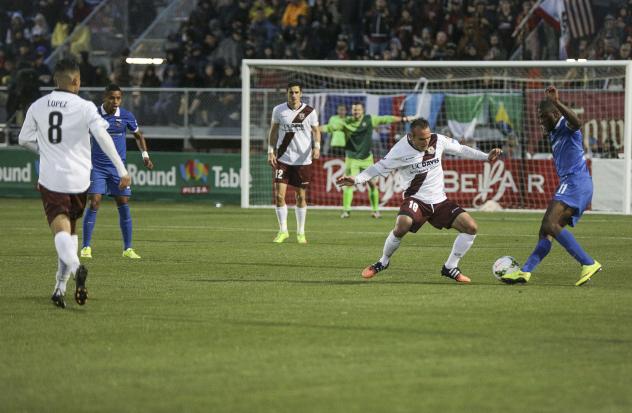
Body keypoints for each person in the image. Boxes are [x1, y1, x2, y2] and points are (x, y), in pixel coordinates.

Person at [18, 58, 130, 309]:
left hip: (51, 177)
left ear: (55, 79)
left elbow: (23, 140)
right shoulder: (85, 106)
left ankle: (77, 267)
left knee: (60, 228)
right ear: (76, 80)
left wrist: (45, 151)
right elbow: (102, 135)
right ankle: (60, 287)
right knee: (71, 231)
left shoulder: (38, 106)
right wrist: (121, 169)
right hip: (80, 178)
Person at [337, 118, 502, 283]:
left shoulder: (438, 140)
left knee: (471, 227)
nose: (426, 141)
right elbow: (379, 167)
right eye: (422, 139)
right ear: (411, 136)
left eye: (428, 137)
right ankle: (383, 261)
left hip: (439, 201)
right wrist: (357, 179)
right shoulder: (400, 150)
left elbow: (460, 149)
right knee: (402, 225)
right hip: (416, 198)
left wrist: (486, 156)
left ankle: (450, 267)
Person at [501, 86, 602, 286]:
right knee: (545, 231)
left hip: (576, 183)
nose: (540, 121)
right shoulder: (554, 132)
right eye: (538, 117)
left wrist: (556, 102)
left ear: (555, 114)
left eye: (543, 116)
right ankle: (525, 272)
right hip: (572, 183)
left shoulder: (566, 126)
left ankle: (588, 262)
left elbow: (577, 122)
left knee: (550, 224)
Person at [81, 84, 153, 259]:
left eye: (118, 98)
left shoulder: (126, 116)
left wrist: (145, 155)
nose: (115, 101)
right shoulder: (93, 115)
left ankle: (128, 249)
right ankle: (86, 247)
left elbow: (138, 135)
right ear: (105, 97)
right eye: (112, 98)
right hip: (97, 166)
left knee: (123, 202)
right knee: (94, 201)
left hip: (118, 169)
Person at [321, 101, 413, 219]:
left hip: (366, 158)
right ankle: (346, 211)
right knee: (349, 184)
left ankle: (375, 211)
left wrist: (404, 119)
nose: (356, 112)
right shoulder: (346, 122)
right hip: (351, 158)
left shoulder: (370, 119)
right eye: (354, 110)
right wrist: (315, 128)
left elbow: (386, 119)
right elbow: (330, 127)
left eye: (358, 110)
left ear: (362, 111)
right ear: (352, 111)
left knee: (372, 184)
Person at [267, 81, 321, 244]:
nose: (294, 95)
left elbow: (316, 131)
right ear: (287, 93)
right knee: (278, 196)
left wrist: (317, 146)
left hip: (302, 160)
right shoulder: (279, 110)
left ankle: (300, 232)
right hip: (283, 158)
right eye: (291, 92)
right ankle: (283, 231)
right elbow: (273, 132)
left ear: (301, 93)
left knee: (300, 197)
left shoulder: (309, 111)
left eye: (296, 92)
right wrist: (270, 151)